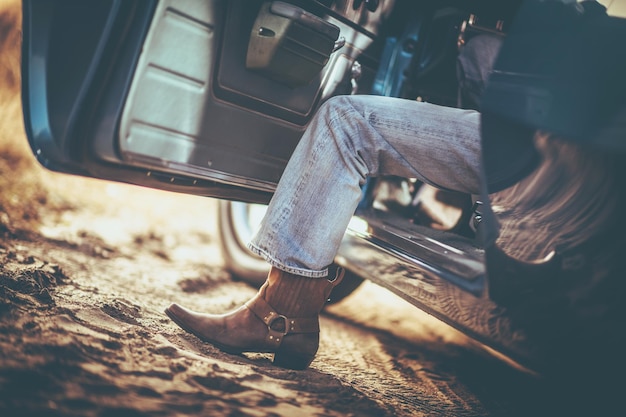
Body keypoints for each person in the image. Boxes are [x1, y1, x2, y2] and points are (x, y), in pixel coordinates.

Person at [165, 33, 502, 370]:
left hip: (531, 148)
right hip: (533, 138)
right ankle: (286, 321)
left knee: (345, 122)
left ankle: (278, 314)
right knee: (479, 51)